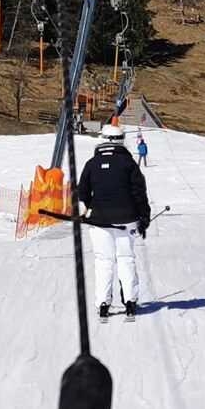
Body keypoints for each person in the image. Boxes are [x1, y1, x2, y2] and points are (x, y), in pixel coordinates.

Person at [74, 120, 150, 318]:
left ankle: (103, 303)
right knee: (125, 259)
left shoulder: (92, 164)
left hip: (99, 220)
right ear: (121, 141)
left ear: (102, 140)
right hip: (127, 219)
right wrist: (144, 216)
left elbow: (82, 193)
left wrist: (92, 205)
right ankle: (130, 301)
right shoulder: (129, 163)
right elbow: (139, 192)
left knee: (103, 260)